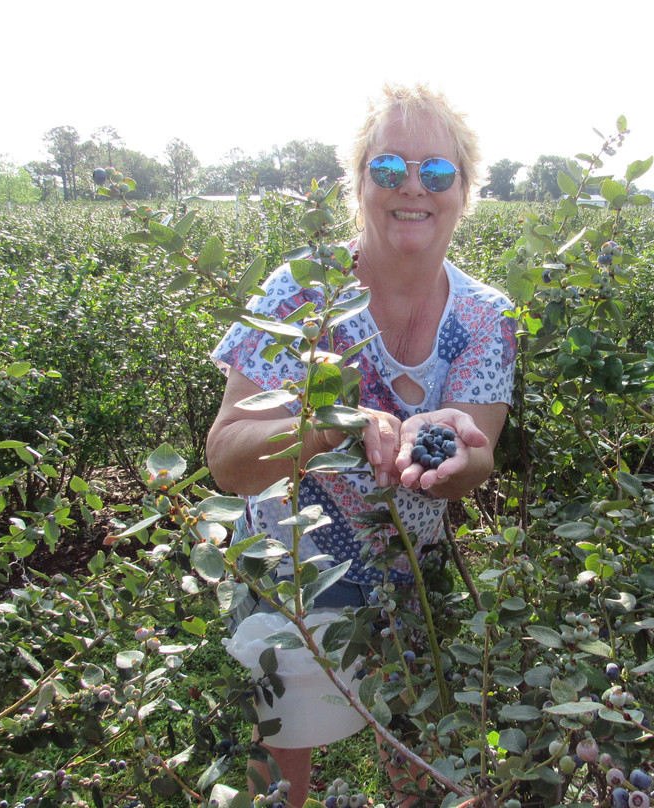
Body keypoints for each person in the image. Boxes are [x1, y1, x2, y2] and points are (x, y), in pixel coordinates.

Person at [206, 84, 518, 805]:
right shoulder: (300, 296)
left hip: (411, 565)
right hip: (292, 567)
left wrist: (447, 451)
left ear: (465, 192)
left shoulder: (485, 316)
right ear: (359, 184)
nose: (414, 187)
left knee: (420, 762)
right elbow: (227, 457)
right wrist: (329, 424)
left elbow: (472, 456)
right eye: (389, 169)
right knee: (278, 762)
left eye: (437, 173)